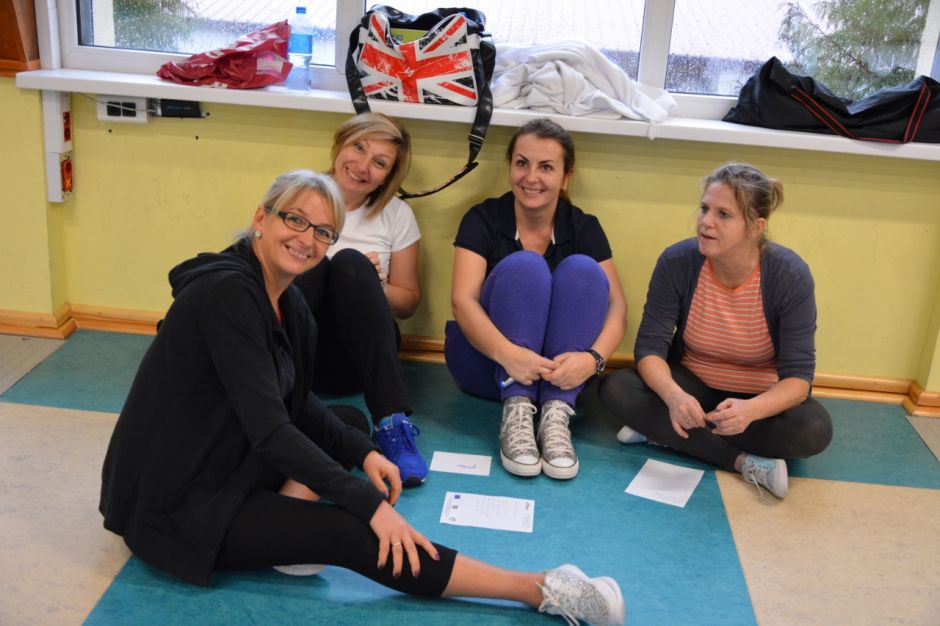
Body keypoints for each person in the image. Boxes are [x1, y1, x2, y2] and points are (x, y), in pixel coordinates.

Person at [98, 170, 625, 626]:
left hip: (221, 454)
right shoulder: (227, 295)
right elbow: (272, 430)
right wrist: (368, 504)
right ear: (261, 217)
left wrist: (366, 454)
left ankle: (285, 535)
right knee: (351, 532)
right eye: (294, 220)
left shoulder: (286, 300)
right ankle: (539, 588)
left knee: (348, 424)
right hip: (178, 503)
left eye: (322, 231)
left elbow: (297, 403)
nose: (306, 239)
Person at [598, 163, 832, 499]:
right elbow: (649, 349)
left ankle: (663, 431)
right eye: (705, 209)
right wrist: (674, 397)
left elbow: (798, 380)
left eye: (724, 215)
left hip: (757, 400)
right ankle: (741, 461)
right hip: (693, 387)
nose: (705, 222)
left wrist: (750, 411)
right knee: (616, 387)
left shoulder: (790, 276)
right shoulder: (677, 262)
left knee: (814, 430)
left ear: (756, 227)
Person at [445, 118, 628, 480]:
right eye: (522, 163)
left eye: (546, 167)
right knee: (526, 266)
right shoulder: (483, 218)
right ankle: (516, 409)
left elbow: (617, 308)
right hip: (489, 365)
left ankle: (556, 416)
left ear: (566, 177)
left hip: (564, 377)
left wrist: (592, 360)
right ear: (509, 167)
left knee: (584, 270)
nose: (531, 177)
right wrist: (507, 354)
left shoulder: (583, 226)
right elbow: (462, 301)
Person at [293, 113, 427, 486]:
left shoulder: (396, 214)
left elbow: (408, 303)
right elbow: (259, 271)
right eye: (359, 148)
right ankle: (267, 397)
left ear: (388, 177)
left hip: (358, 360)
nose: (363, 166)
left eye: (379, 163)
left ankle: (391, 423)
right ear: (340, 145)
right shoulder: (296, 195)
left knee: (351, 264)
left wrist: (375, 284)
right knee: (317, 263)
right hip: (298, 354)